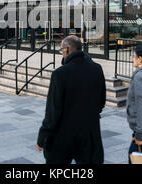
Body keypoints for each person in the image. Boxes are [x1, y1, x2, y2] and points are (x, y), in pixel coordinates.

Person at [37, 35, 106, 164]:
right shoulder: (96, 69)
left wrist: (42, 138)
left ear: (67, 50)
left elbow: (53, 112)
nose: (61, 54)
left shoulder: (60, 74)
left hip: (63, 136)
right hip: (89, 133)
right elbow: (101, 102)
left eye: (61, 50)